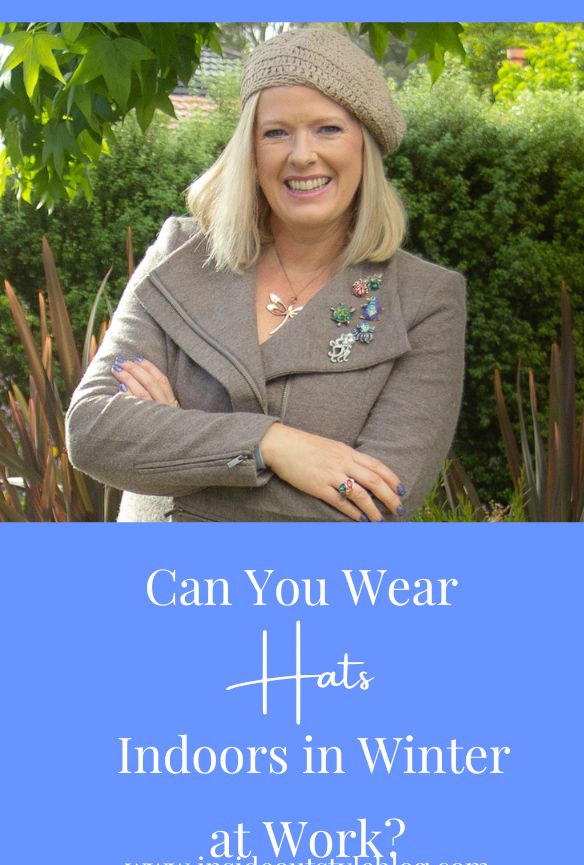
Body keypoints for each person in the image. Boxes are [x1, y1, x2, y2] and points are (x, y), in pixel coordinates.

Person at [66, 28, 466, 522]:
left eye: (328, 129)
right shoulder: (181, 254)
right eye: (276, 132)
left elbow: (376, 505)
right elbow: (93, 431)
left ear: (366, 148)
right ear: (251, 154)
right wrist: (272, 444)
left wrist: (174, 450)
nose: (301, 155)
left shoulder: (426, 300)